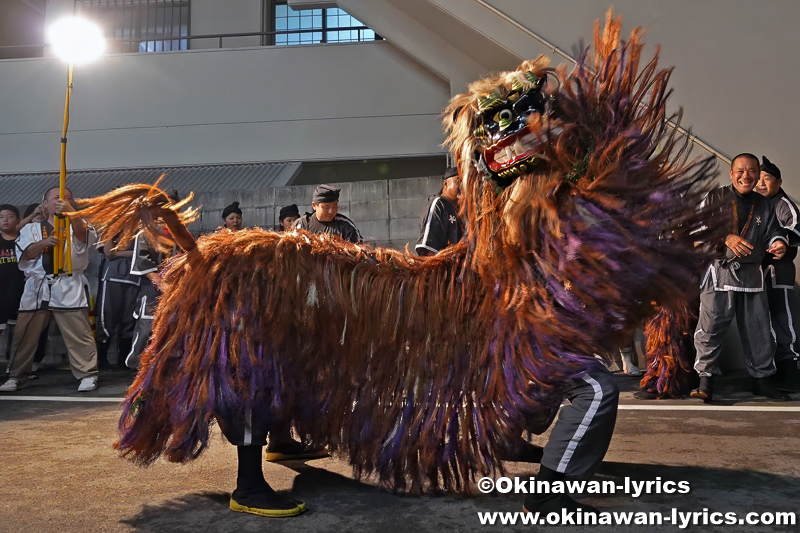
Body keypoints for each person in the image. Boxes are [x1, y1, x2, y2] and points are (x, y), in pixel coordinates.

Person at [692, 153, 789, 402]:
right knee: (711, 326)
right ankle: (706, 381)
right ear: (731, 173)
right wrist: (726, 237)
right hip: (720, 271)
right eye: (741, 170)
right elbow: (698, 229)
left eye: (752, 171)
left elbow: (774, 231)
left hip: (752, 274)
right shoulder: (715, 197)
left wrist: (778, 243)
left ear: (757, 174)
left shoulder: (765, 204)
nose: (746, 176)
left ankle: (762, 380)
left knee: (759, 330)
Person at [0, 187, 99, 392]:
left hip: (69, 282)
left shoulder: (79, 224)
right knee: (24, 333)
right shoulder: (31, 229)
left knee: (79, 332)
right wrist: (44, 242)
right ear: (44, 203)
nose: (63, 200)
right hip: (37, 284)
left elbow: (84, 237)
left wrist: (71, 212)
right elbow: (25, 254)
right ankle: (17, 375)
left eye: (68, 198)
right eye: (57, 198)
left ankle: (88, 374)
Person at [756, 155, 800, 393]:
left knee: (784, 319)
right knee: (763, 321)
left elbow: (794, 229)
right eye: (758, 178)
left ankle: (791, 370)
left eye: (767, 178)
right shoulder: (754, 203)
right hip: (758, 274)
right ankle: (771, 370)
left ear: (779, 182)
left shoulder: (784, 204)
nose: (761, 183)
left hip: (779, 272)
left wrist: (780, 242)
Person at [94, 235, 139, 371]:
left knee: (129, 320)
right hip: (112, 276)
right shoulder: (112, 226)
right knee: (107, 317)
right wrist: (131, 253)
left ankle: (123, 358)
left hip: (135, 277)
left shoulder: (142, 226)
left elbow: (145, 251)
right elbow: (108, 253)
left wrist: (118, 253)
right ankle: (102, 358)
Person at [415, 167, 463, 256]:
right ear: (446, 184)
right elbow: (427, 248)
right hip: (442, 265)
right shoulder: (438, 204)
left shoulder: (461, 208)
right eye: (458, 182)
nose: (462, 187)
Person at [0, 205, 26, 361]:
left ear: (18, 220)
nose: (5, 220)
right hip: (1, 296)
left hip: (21, 294)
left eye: (9, 216)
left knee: (19, 335)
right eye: (1, 217)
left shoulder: (26, 240)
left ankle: (15, 367)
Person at [295, 185, 362, 243]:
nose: (331, 211)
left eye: (334, 206)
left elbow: (359, 253)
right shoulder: (303, 224)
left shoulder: (345, 226)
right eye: (326, 207)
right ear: (314, 205)